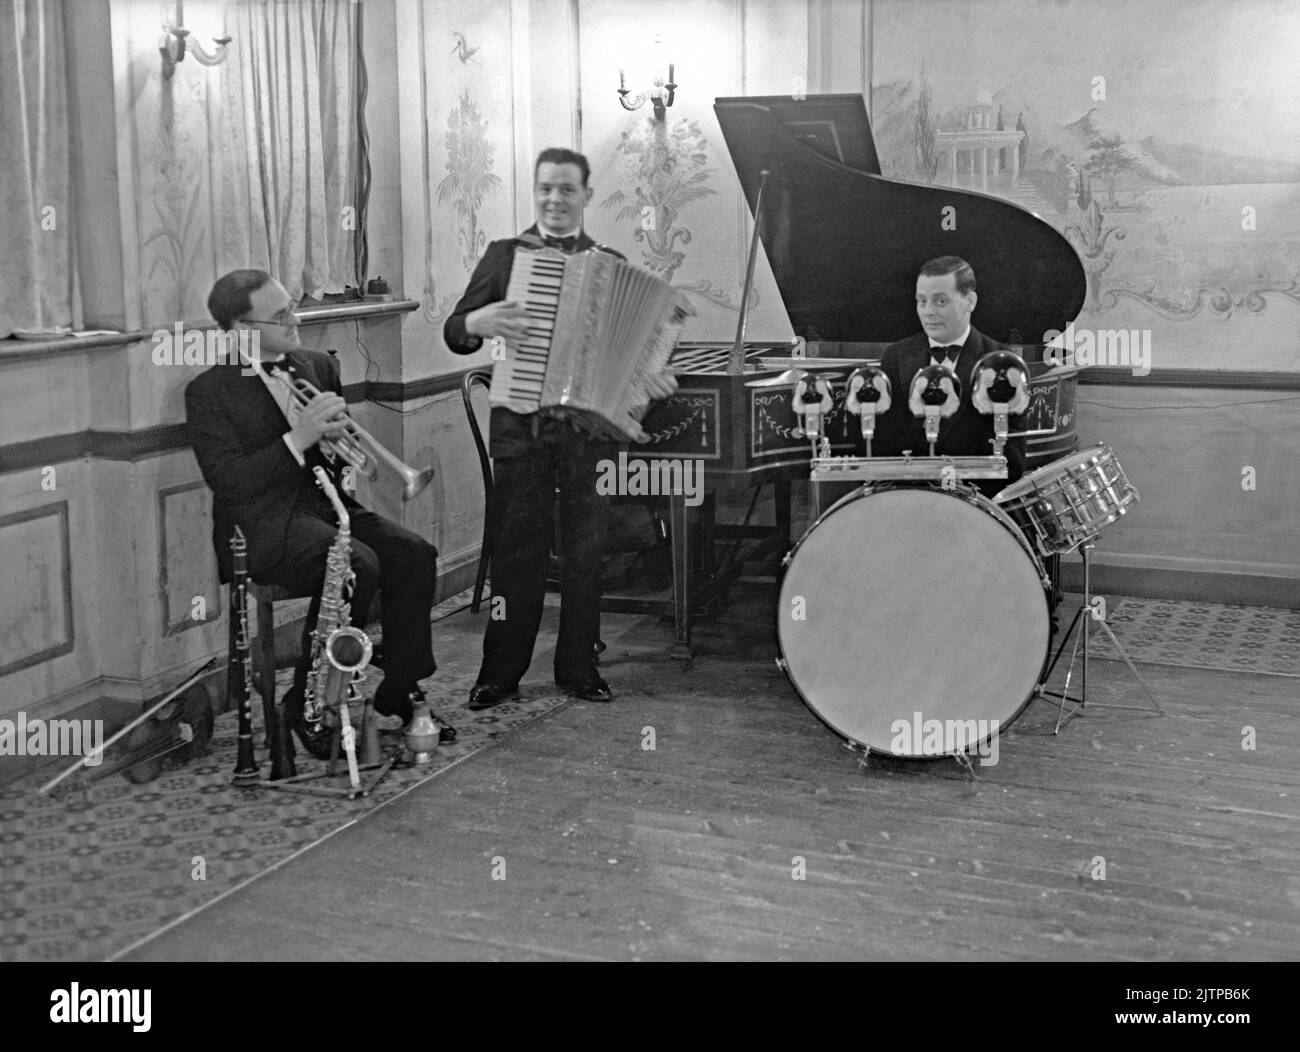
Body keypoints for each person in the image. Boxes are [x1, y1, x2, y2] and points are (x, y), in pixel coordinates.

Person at [444, 147, 677, 710]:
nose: (554, 198)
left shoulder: (609, 262)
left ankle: (579, 666)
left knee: (585, 552)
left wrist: (652, 378)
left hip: (586, 435)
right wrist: (476, 321)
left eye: (566, 189)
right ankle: (500, 673)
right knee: (516, 555)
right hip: (521, 430)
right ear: (536, 191)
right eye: (545, 188)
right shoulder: (505, 256)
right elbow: (456, 331)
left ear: (586, 196)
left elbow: (637, 350)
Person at [186, 269, 452, 757]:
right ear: (241, 327)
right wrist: (297, 439)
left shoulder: (315, 366)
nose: (296, 319)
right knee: (355, 563)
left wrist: (331, 442)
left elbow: (341, 459)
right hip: (262, 525)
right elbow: (230, 482)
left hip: (325, 506)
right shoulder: (209, 391)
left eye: (292, 307)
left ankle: (400, 688)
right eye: (281, 314)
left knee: (414, 553)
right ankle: (306, 703)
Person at [872, 255, 1026, 499]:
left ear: (970, 301)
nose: (928, 312)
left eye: (941, 301)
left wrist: (957, 494)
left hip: (978, 503)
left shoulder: (1001, 362)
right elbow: (882, 444)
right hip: (908, 498)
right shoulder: (896, 357)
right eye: (921, 301)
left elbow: (1012, 461)